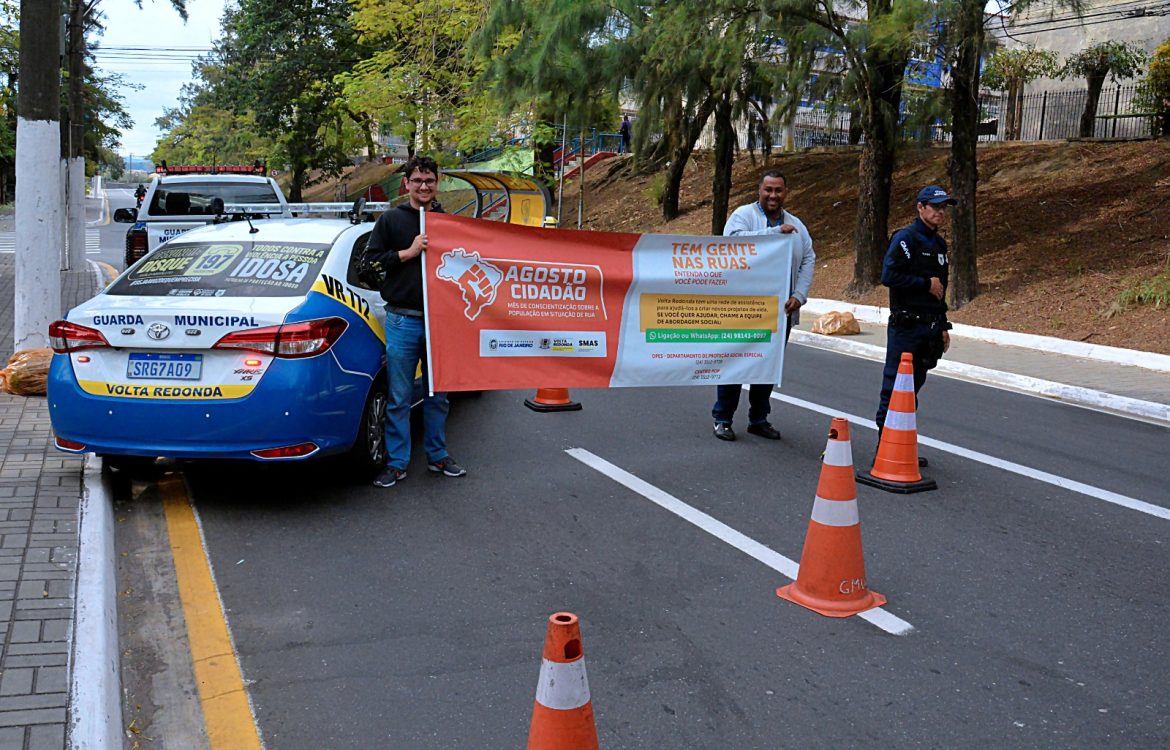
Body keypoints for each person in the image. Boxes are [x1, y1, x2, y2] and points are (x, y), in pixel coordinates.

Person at [363, 155, 467, 488]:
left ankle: (438, 456)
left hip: (440, 323)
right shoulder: (391, 220)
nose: (424, 186)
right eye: (417, 180)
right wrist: (407, 253)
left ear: (438, 183)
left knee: (439, 395)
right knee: (400, 396)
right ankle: (397, 463)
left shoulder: (447, 222)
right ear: (406, 183)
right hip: (402, 321)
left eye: (430, 181)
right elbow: (369, 263)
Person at [711, 170, 815, 441]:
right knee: (734, 364)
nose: (773, 195)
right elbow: (731, 244)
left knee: (767, 367)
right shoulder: (743, 216)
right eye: (768, 189)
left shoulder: (797, 226)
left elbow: (808, 260)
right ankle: (722, 418)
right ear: (760, 190)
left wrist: (799, 295)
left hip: (780, 313)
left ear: (785, 193)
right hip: (743, 310)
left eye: (778, 190)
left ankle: (758, 418)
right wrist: (773, 233)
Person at [873, 185, 955, 444]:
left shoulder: (939, 243)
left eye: (943, 208)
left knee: (911, 391)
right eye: (935, 207)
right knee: (895, 388)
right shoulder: (905, 238)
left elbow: (941, 289)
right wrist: (923, 284)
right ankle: (884, 447)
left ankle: (901, 448)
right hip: (906, 327)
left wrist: (943, 325)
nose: (940, 212)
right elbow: (889, 276)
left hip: (928, 329)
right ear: (921, 207)